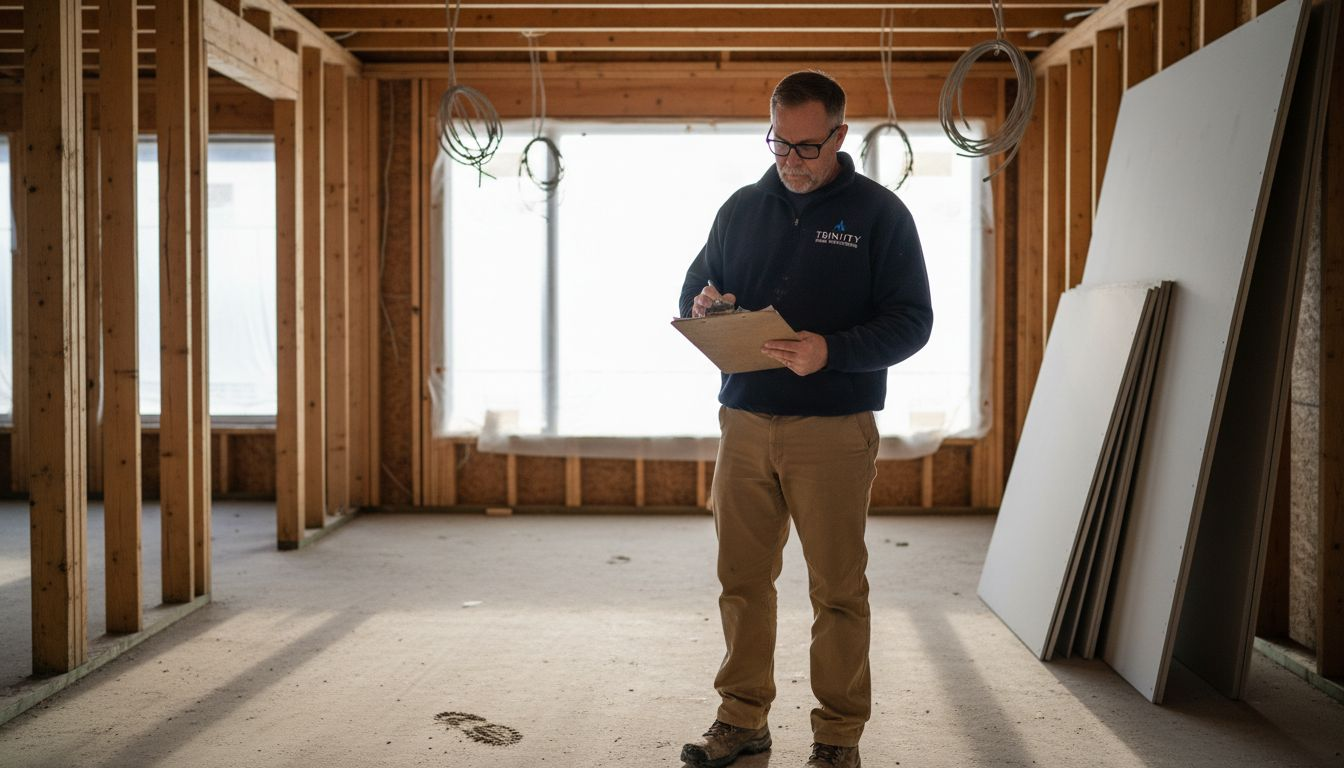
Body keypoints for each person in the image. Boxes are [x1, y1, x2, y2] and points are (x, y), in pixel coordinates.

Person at [677, 70, 934, 768]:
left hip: (833, 428)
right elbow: (695, 286)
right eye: (778, 144)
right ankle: (741, 721)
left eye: (807, 148)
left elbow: (914, 323)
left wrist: (833, 351)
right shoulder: (740, 208)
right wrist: (706, 307)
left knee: (838, 590)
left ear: (841, 137)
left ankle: (837, 739)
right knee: (742, 579)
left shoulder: (880, 215)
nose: (791, 161)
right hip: (746, 424)